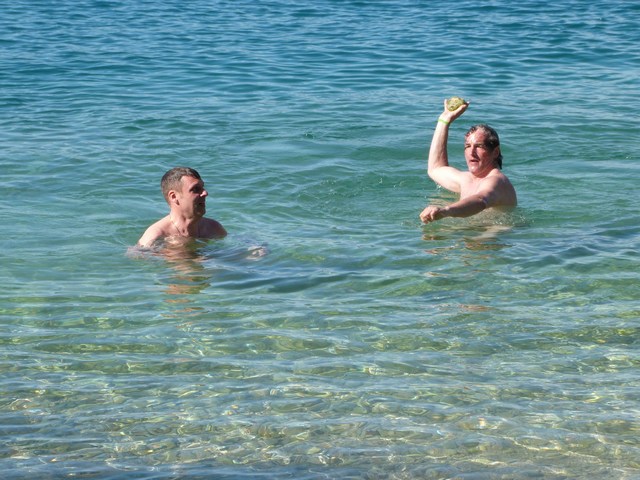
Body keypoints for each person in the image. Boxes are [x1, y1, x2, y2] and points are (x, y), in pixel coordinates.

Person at [419, 100, 517, 224]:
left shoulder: (497, 181)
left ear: (495, 152)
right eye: (467, 146)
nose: (471, 152)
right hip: (476, 229)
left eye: (479, 146)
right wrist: (444, 121)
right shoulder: (466, 180)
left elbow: (481, 200)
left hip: (498, 233)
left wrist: (445, 211)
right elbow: (435, 168)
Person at [137, 167, 227, 247]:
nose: (205, 193)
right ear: (173, 196)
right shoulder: (156, 236)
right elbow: (137, 255)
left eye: (202, 187)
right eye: (196, 189)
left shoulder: (213, 228)